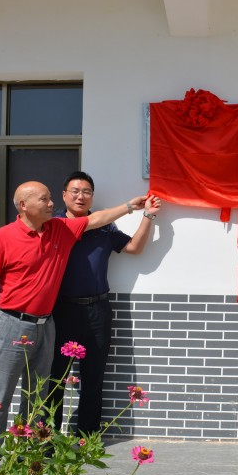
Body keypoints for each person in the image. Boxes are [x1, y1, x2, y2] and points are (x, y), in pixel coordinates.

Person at [0, 180, 152, 446]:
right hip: (12, 323)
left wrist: (129, 206)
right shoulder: (3, 237)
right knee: (0, 393)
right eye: (44, 199)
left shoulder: (59, 229)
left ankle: (30, 451)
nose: (51, 203)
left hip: (46, 325)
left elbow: (96, 220)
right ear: (24, 205)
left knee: (38, 393)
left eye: (50, 198)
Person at [48, 171, 160, 436]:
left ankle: (86, 437)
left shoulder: (105, 227)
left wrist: (148, 216)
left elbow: (134, 248)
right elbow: (89, 222)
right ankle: (49, 438)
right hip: (62, 310)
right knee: (55, 378)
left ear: (92, 196)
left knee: (93, 377)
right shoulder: (54, 226)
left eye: (86, 191)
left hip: (98, 310)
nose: (81, 196)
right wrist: (129, 205)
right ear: (64, 195)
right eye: (75, 191)